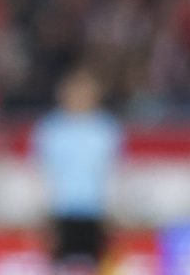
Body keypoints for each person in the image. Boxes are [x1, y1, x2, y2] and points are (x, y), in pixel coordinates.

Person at [31, 68, 122, 274]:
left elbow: (113, 173)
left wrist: (114, 210)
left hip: (96, 212)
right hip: (61, 212)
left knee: (98, 266)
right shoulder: (50, 129)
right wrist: (43, 214)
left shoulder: (106, 129)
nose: (80, 97)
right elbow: (42, 174)